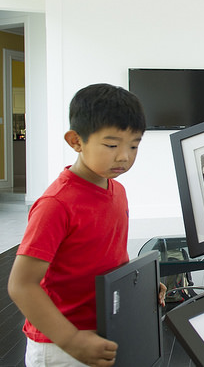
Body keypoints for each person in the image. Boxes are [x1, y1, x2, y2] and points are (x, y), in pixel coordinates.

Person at [7, 83, 166, 367]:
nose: (124, 156)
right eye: (111, 145)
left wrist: (142, 288)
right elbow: (21, 285)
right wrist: (71, 340)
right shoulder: (56, 204)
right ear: (76, 141)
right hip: (60, 346)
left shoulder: (117, 191)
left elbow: (109, 260)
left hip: (103, 331)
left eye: (134, 145)